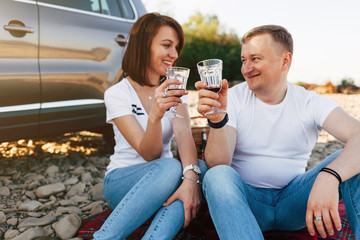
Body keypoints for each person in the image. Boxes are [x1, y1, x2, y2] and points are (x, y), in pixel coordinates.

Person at [195, 24, 360, 239]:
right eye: (244, 60)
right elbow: (219, 164)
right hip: (248, 201)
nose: (246, 68)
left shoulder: (308, 102)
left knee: (349, 161)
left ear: (285, 61)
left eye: (255, 59)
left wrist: (330, 176)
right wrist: (217, 120)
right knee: (217, 175)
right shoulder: (233, 98)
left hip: (294, 202)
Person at [93, 13, 207, 240]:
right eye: (166, 45)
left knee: (197, 170)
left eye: (176, 47)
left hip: (166, 178)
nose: (174, 55)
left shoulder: (174, 90)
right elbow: (150, 154)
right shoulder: (117, 93)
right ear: (144, 45)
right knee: (171, 167)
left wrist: (191, 181)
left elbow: (184, 135)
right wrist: (154, 116)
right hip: (123, 182)